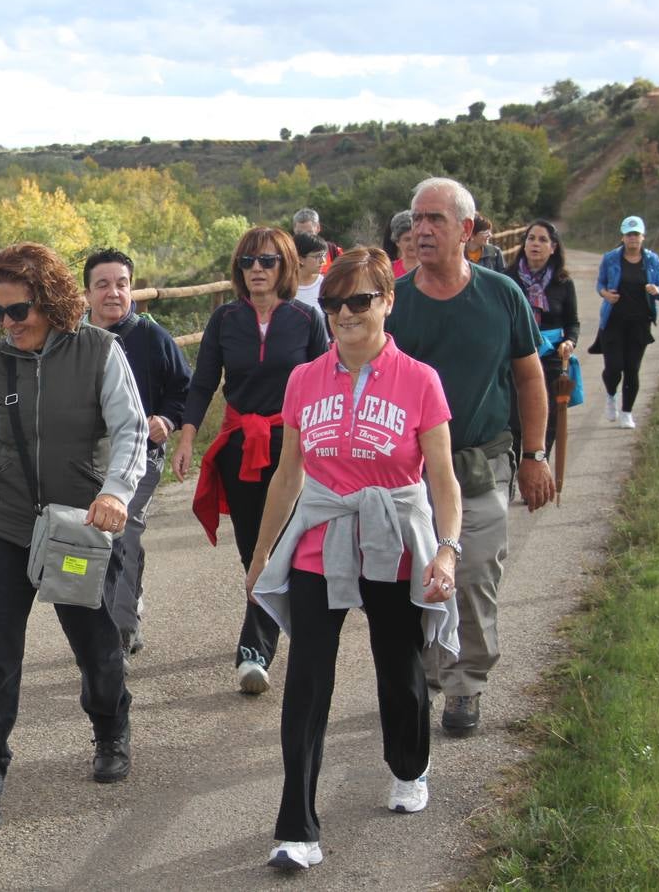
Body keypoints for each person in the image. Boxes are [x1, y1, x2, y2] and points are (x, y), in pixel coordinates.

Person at [246, 247, 463, 871]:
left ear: (387, 301)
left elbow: (442, 479)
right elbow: (287, 476)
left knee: (398, 669)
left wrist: (446, 551)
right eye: (335, 302)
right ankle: (296, 827)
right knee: (308, 681)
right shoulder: (304, 379)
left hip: (393, 543)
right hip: (320, 541)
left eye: (360, 300)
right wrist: (263, 555)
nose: (345, 313)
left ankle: (408, 765)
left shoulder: (419, 380)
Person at [0, 242, 148, 835]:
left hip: (79, 529)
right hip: (7, 526)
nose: (8, 324)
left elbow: (132, 431)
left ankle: (111, 725)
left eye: (19, 310)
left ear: (52, 301)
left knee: (97, 649)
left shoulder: (100, 352)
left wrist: (114, 492)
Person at [385, 178, 555, 736]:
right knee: (415, 576)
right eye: (416, 219)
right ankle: (433, 666)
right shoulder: (395, 303)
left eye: (435, 219)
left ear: (467, 228)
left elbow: (530, 376)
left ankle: (466, 683)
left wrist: (535, 454)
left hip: (481, 463)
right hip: (408, 471)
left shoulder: (501, 295)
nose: (422, 229)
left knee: (476, 571)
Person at [173, 227, 329, 695]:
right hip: (241, 447)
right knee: (252, 551)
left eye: (266, 261)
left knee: (279, 545)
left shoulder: (307, 319)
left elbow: (323, 384)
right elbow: (202, 384)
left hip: (292, 447)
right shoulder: (224, 320)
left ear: (285, 266)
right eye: (247, 262)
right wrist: (186, 440)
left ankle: (253, 651)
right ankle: (267, 636)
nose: (256, 270)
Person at [83, 248, 192, 665]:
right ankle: (119, 613)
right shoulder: (76, 340)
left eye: (122, 284)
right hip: (90, 459)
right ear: (88, 293)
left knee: (122, 533)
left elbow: (184, 387)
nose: (114, 293)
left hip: (141, 456)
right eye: (103, 285)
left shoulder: (152, 336)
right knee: (97, 538)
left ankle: (118, 635)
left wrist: (168, 418)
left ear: (133, 288)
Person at [505, 220, 579, 452]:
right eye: (531, 238)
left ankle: (540, 462)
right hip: (516, 355)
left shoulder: (563, 282)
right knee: (514, 417)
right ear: (524, 244)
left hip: (552, 356)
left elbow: (572, 322)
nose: (535, 244)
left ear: (553, 247)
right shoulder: (507, 279)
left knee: (549, 417)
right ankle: (515, 465)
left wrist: (570, 341)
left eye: (542, 239)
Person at [593, 215, 659, 429]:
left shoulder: (652, 260)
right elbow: (600, 283)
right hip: (613, 321)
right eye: (629, 234)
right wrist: (605, 293)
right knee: (614, 368)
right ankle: (611, 395)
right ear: (623, 237)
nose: (633, 238)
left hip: (639, 323)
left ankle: (626, 413)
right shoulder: (610, 258)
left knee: (632, 369)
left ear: (643, 237)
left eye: (636, 234)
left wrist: (657, 290)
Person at [293, 207, 343, 272]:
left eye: (309, 233)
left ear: (318, 228)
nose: (305, 238)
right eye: (299, 233)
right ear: (294, 229)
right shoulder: (287, 253)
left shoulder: (332, 250)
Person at [293, 232, 329, 309]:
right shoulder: (283, 287)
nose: (323, 261)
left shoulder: (326, 285)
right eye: (317, 256)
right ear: (300, 259)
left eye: (324, 255)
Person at [387, 210, 418, 278]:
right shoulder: (388, 271)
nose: (412, 244)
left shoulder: (432, 270)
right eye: (407, 239)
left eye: (416, 238)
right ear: (397, 242)